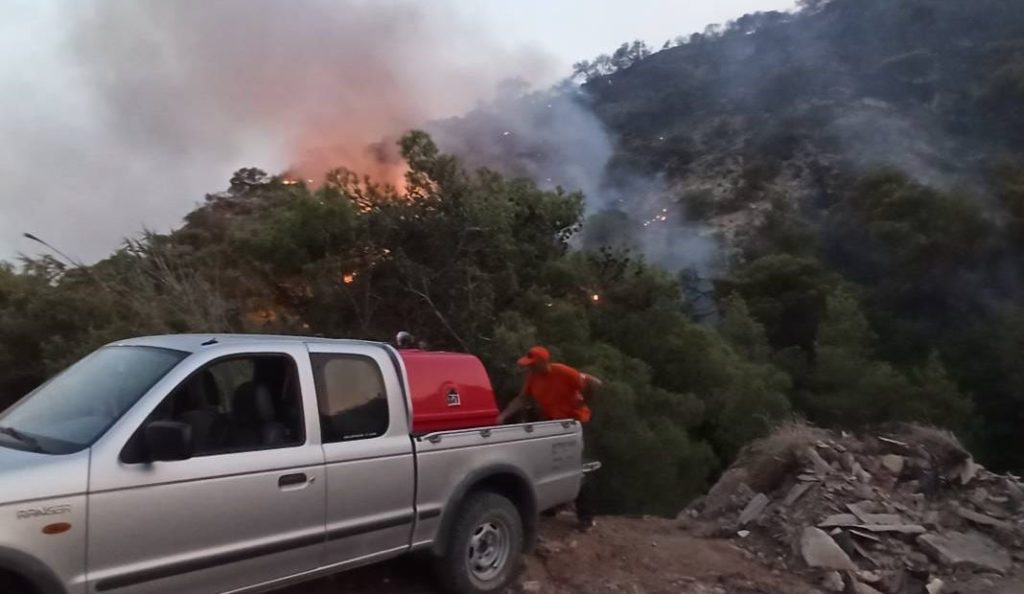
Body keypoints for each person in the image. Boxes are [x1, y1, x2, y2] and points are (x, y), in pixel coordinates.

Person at [497, 345, 602, 530]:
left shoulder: (564, 372)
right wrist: (503, 416)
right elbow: (523, 398)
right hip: (554, 424)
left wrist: (583, 401)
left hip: (576, 423)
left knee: (579, 467)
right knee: (554, 464)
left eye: (532, 364)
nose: (528, 368)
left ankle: (586, 516)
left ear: (543, 362)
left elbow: (595, 383)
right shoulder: (532, 378)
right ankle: (553, 506)